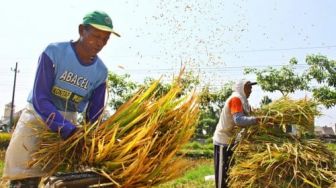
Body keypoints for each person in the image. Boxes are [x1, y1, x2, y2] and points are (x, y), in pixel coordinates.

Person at [2, 10, 120, 188]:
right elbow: (40, 97)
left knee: (61, 180)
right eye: (96, 36)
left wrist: (94, 138)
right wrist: (68, 129)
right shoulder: (54, 52)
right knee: (25, 179)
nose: (100, 43)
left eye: (105, 39)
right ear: (81, 30)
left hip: (69, 124)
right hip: (38, 120)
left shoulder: (100, 72)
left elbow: (94, 115)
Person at [213, 79, 270, 188]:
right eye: (248, 87)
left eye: (251, 87)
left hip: (231, 142)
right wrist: (257, 119)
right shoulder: (236, 99)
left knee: (230, 175)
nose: (251, 90)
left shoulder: (244, 102)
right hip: (223, 142)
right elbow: (238, 120)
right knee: (222, 178)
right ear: (241, 88)